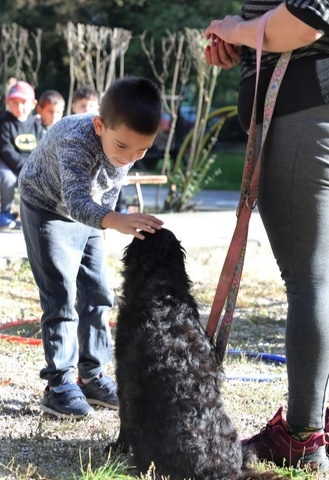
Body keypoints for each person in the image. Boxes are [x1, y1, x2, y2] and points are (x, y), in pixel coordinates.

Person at [204, 0, 329, 472]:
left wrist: (240, 28)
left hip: (304, 110)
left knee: (308, 280)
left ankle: (302, 436)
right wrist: (246, 40)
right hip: (310, 109)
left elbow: (308, 18)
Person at [18, 76, 164, 419]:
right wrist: (115, 219)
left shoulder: (126, 143)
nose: (131, 156)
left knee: (98, 293)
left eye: (142, 149)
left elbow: (107, 188)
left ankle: (93, 375)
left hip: (92, 214)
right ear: (99, 125)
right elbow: (78, 200)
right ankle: (59, 384)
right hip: (47, 207)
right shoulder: (76, 140)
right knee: (60, 295)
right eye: (124, 147)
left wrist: (108, 224)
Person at [71, 86, 128, 212]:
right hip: (78, 186)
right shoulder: (72, 133)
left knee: (115, 173)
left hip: (100, 179)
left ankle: (121, 207)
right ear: (73, 107)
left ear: (97, 108)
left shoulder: (106, 130)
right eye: (83, 106)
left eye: (90, 106)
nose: (87, 110)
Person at [0, 80, 43, 229]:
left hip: (29, 165)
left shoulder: (36, 124)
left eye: (23, 102)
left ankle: (32, 215)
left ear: (32, 104)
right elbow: (6, 150)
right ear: (8, 103)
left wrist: (34, 167)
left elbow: (41, 148)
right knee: (8, 179)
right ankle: (4, 212)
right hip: (8, 164)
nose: (19, 107)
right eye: (14, 102)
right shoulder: (5, 123)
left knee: (40, 181)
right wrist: (23, 167)